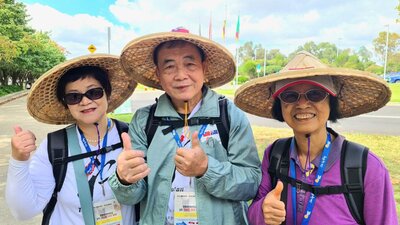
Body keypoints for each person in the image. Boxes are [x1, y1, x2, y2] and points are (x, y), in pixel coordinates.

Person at [108, 27, 262, 225]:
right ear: (158, 73)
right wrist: (125, 180)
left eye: (190, 64)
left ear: (204, 68)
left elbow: (251, 183)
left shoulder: (229, 116)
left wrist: (207, 169)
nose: (181, 75)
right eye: (169, 66)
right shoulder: (144, 120)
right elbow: (133, 196)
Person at [235, 51, 399, 225]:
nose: (303, 104)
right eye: (290, 96)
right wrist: (262, 211)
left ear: (331, 101)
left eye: (315, 94)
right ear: (280, 106)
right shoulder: (274, 155)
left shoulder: (368, 167)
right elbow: (253, 214)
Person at [6, 54, 138, 225]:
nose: (85, 101)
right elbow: (23, 211)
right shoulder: (55, 146)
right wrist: (19, 160)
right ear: (65, 103)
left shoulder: (132, 135)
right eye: (74, 97)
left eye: (94, 92)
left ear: (108, 93)